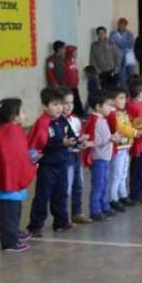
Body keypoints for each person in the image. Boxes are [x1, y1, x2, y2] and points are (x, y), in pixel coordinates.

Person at [0, 99, 37, 252]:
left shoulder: (10, 130)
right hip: (6, 181)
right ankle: (9, 241)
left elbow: (17, 154)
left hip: (9, 179)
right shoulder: (10, 132)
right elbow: (13, 157)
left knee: (13, 210)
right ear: (13, 116)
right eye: (22, 112)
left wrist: (29, 158)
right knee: (8, 212)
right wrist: (30, 163)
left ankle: (14, 232)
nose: (24, 114)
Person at [26, 88, 77, 237]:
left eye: (60, 104)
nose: (59, 107)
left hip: (62, 163)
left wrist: (77, 140)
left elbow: (71, 135)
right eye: (54, 104)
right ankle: (35, 225)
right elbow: (42, 142)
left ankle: (61, 221)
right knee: (43, 196)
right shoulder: (43, 122)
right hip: (48, 166)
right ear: (44, 106)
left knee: (61, 193)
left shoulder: (62, 120)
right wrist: (61, 142)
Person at [82, 92, 120, 221]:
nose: (110, 108)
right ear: (98, 107)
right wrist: (110, 139)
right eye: (108, 105)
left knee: (104, 182)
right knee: (98, 184)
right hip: (99, 157)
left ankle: (104, 205)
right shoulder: (96, 120)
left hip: (104, 157)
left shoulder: (101, 119)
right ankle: (95, 210)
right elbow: (95, 140)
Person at [108, 88, 142, 211]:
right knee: (116, 174)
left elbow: (129, 125)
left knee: (123, 173)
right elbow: (122, 128)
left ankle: (122, 195)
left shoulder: (122, 113)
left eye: (125, 98)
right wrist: (137, 132)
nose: (124, 101)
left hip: (125, 147)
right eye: (121, 98)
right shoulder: (113, 114)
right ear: (112, 101)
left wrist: (137, 123)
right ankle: (113, 198)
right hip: (118, 148)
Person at [61, 88, 92, 225]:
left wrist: (82, 141)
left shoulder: (75, 119)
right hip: (65, 157)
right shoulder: (57, 122)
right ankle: (64, 216)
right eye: (64, 103)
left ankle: (77, 212)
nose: (68, 106)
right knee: (65, 188)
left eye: (71, 103)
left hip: (76, 156)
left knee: (78, 185)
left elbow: (78, 136)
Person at [110, 18, 136, 90]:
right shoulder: (113, 33)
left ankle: (131, 95)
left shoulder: (129, 34)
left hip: (129, 59)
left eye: (124, 24)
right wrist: (121, 44)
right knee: (122, 79)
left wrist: (117, 42)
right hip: (118, 59)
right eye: (120, 24)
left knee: (130, 78)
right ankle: (125, 96)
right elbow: (111, 45)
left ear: (126, 25)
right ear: (118, 24)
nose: (122, 26)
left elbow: (129, 45)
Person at [64, 45, 84, 118]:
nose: (75, 53)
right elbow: (65, 75)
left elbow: (75, 72)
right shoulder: (65, 62)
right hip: (69, 86)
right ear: (70, 52)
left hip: (75, 85)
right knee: (72, 102)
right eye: (74, 52)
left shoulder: (73, 61)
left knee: (77, 101)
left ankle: (80, 116)